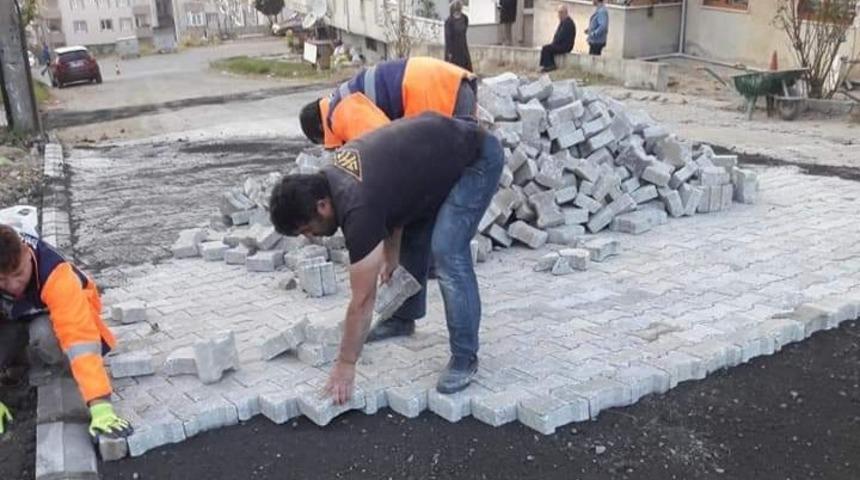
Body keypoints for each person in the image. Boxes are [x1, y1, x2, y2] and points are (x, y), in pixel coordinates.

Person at [269, 113, 504, 402]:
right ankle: (403, 319)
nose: (311, 237)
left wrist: (345, 363)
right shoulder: (335, 178)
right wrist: (391, 254)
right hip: (439, 162)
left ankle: (465, 357)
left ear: (322, 205)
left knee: (447, 251)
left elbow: (363, 300)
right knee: (415, 240)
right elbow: (394, 199)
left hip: (477, 161)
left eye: (308, 228)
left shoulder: (356, 205)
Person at [0, 225, 133, 439]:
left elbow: (80, 338)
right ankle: (21, 361)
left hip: (53, 320)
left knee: (45, 335)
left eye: (18, 274)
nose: (13, 285)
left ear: (27, 253)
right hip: (13, 321)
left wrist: (100, 406)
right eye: (2, 280)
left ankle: (54, 365)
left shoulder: (55, 274)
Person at [299, 57, 478, 149]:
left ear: (321, 129)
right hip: (448, 83)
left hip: (438, 94)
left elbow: (385, 144)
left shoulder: (340, 113)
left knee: (452, 171)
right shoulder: (341, 97)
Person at [539, 5, 575, 73]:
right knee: (547, 48)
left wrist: (554, 43)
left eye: (561, 13)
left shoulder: (568, 23)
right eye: (559, 13)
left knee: (546, 48)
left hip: (565, 46)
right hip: (562, 44)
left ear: (565, 13)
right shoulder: (563, 22)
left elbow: (561, 36)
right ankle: (546, 65)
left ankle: (550, 65)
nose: (559, 15)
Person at [445, 1, 473, 72]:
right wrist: (449, 53)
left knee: (465, 68)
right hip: (453, 49)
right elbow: (448, 38)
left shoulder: (465, 18)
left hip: (463, 47)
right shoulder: (449, 21)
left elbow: (464, 30)